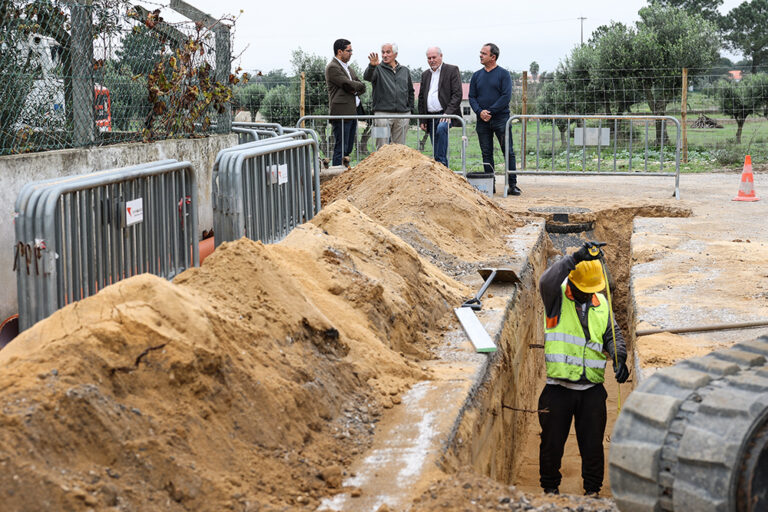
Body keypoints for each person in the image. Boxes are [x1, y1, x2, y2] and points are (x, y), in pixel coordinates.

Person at [537, 241, 629, 498]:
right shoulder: (556, 298)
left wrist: (619, 357)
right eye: (583, 290)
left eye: (591, 290)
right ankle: (550, 489)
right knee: (552, 443)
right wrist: (573, 259)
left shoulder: (601, 302)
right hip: (559, 388)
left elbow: (614, 335)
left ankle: (592, 492)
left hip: (592, 390)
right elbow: (546, 281)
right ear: (573, 283)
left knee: (592, 446)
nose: (588, 294)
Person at [468, 43, 520, 195]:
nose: (480, 55)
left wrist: (490, 111)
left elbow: (506, 96)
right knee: (486, 153)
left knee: (508, 151)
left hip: (501, 119)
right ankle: (489, 185)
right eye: (480, 52)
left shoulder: (503, 74)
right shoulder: (476, 75)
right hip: (482, 121)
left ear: (493, 57)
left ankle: (512, 185)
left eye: (484, 53)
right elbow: (472, 97)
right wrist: (480, 112)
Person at [417, 47, 462, 167]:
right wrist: (423, 119)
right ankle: (442, 168)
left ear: (441, 56)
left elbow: (457, 94)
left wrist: (448, 113)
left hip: (446, 114)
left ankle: (441, 163)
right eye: (429, 58)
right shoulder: (425, 74)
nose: (431, 60)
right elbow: (421, 98)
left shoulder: (452, 70)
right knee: (435, 144)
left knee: (442, 128)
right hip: (431, 116)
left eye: (434, 57)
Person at [363, 43, 414, 148]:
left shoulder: (405, 71)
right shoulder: (377, 69)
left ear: (395, 54)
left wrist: (410, 109)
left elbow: (410, 91)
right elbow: (367, 77)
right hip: (381, 115)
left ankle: (398, 165)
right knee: (381, 147)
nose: (385, 55)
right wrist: (372, 66)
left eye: (388, 52)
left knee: (400, 148)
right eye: (383, 52)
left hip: (403, 115)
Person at [325, 38, 366, 167]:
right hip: (341, 113)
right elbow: (347, 84)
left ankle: (344, 172)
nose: (351, 53)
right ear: (339, 51)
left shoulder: (348, 68)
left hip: (352, 112)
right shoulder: (332, 67)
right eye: (349, 50)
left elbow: (361, 85)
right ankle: (336, 174)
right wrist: (355, 86)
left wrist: (355, 87)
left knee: (348, 148)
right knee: (341, 147)